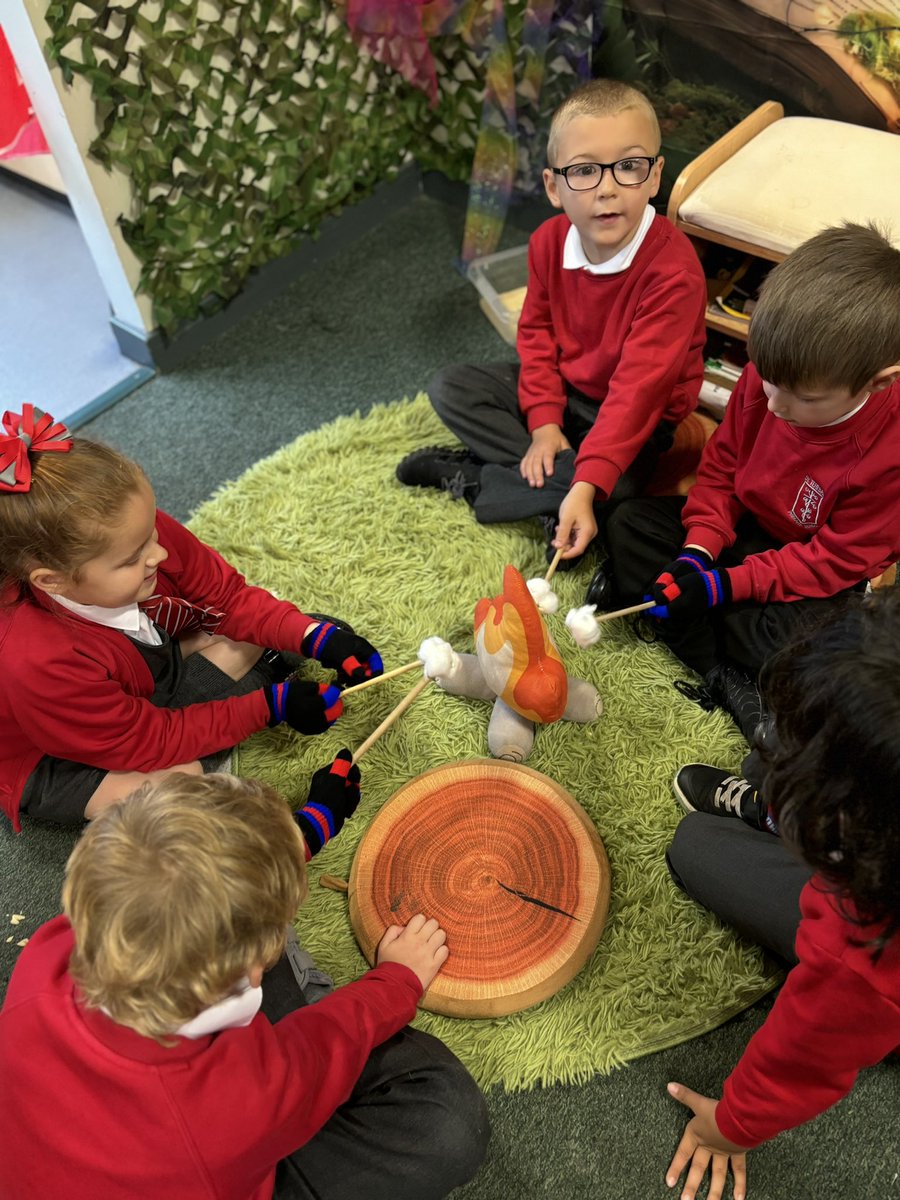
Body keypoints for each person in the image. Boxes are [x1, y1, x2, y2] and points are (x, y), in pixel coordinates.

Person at [0, 771, 490, 1199]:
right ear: (250, 968)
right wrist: (397, 979)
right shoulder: (241, 1097)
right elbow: (320, 1052)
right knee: (448, 1122)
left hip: (165, 1137)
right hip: (216, 1146)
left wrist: (294, 838)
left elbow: (181, 885)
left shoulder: (53, 948)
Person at [0, 406, 383, 832]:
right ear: (52, 580)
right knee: (177, 793)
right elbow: (149, 742)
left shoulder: (134, 536)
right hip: (60, 759)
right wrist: (269, 707)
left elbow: (228, 597)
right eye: (133, 558)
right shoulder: (39, 658)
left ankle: (231, 675)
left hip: (134, 683)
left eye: (152, 533)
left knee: (285, 621)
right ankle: (254, 684)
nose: (159, 554)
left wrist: (315, 637)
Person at [600, 222, 900, 735]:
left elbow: (833, 561)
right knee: (628, 521)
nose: (776, 405)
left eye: (804, 398)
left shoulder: (889, 452)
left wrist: (723, 586)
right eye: (767, 380)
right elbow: (719, 471)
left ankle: (689, 637)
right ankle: (719, 663)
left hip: (811, 569)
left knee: (824, 654)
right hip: (740, 533)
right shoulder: (774, 378)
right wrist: (698, 553)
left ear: (878, 382)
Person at [395, 78, 707, 569]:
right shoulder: (546, 243)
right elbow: (536, 335)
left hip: (638, 415)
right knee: (452, 388)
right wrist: (543, 421)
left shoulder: (674, 272)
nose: (607, 188)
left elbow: (638, 392)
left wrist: (588, 482)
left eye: (628, 166)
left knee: (615, 487)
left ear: (654, 176)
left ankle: (480, 480)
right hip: (569, 393)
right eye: (583, 171)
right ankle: (554, 487)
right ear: (553, 187)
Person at [662, 590, 900, 1200]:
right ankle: (774, 801)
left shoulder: (864, 956)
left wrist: (733, 1127)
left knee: (695, 845)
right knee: (764, 755)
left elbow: (806, 1055)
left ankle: (773, 809)